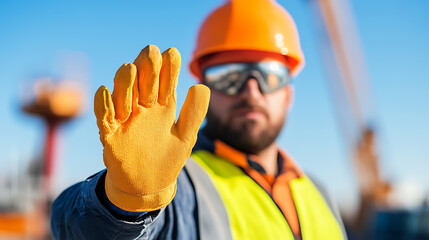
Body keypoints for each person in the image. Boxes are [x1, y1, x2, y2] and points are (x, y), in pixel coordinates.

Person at [51, 0, 346, 239]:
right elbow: (79, 228)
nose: (251, 91)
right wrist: (123, 206)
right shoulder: (178, 184)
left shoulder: (320, 193)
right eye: (229, 76)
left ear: (289, 95)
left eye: (270, 76)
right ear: (203, 88)